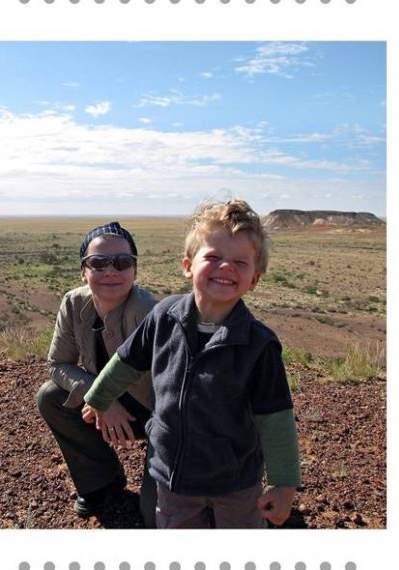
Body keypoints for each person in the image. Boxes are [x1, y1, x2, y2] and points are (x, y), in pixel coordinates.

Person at [84, 199, 301, 528]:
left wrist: (284, 485)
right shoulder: (163, 316)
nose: (225, 267)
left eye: (240, 262)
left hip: (236, 481)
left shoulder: (259, 345)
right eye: (213, 257)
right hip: (172, 475)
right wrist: (98, 397)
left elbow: (276, 419)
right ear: (188, 265)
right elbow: (126, 361)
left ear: (254, 279)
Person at [36, 221, 158, 527]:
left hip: (161, 415)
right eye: (98, 263)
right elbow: (57, 365)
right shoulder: (74, 302)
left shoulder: (149, 313)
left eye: (122, 262)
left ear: (135, 270)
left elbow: (174, 390)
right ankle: (100, 482)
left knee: (154, 516)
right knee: (50, 396)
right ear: (83, 271)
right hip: (107, 405)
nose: (110, 271)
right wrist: (101, 398)